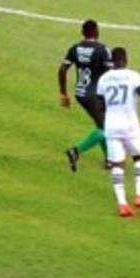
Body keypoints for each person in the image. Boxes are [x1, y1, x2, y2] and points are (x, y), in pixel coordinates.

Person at [95, 46, 140, 217]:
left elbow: (99, 105)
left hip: (112, 126)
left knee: (116, 164)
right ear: (125, 60)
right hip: (130, 124)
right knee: (139, 157)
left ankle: (122, 205)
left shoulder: (104, 78)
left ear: (112, 62)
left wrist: (108, 115)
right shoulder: (133, 75)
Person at [59, 19, 113, 172]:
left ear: (83, 33)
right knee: (106, 128)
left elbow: (62, 70)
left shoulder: (75, 48)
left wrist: (63, 93)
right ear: (96, 31)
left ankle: (109, 160)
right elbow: (112, 72)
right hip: (95, 95)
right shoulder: (102, 50)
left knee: (102, 125)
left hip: (80, 93)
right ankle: (76, 150)